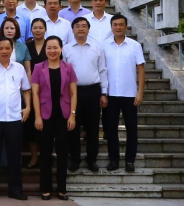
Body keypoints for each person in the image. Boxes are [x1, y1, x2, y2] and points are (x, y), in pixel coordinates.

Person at [0, 37, 31, 201]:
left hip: (14, 118)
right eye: (0, 48)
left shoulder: (19, 68)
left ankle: (15, 189)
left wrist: (28, 107)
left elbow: (26, 90)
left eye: (7, 48)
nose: (4, 51)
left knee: (15, 156)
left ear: (12, 50)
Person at [31, 36, 77, 201]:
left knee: (63, 153)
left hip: (63, 116)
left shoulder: (69, 67)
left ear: (61, 49)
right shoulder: (38, 68)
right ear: (45, 50)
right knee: (45, 154)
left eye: (55, 47)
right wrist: (37, 116)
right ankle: (45, 188)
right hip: (44, 116)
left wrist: (72, 115)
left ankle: (62, 188)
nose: (52, 51)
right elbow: (34, 94)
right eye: (49, 48)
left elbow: (73, 93)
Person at [63, 17, 107, 174]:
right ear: (73, 30)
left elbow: (102, 71)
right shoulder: (66, 49)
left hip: (93, 91)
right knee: (72, 127)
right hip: (73, 93)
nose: (80, 29)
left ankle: (91, 159)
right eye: (77, 26)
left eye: (83, 26)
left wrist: (104, 93)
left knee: (93, 127)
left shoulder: (97, 48)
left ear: (89, 29)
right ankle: (74, 158)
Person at [103, 14, 145, 172]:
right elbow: (102, 70)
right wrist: (103, 92)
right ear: (111, 26)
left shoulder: (135, 45)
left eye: (121, 24)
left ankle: (129, 161)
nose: (118, 27)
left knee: (131, 129)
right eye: (115, 24)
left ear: (126, 26)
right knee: (111, 129)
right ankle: (113, 160)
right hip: (110, 94)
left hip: (129, 94)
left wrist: (140, 92)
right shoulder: (104, 45)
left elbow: (141, 70)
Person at [24, 18, 49, 169]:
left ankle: (46, 156)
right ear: (31, 30)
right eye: (35, 28)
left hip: (49, 90)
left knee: (47, 126)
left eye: (41, 27)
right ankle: (34, 157)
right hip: (31, 89)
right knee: (31, 126)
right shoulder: (27, 46)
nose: (38, 30)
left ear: (45, 29)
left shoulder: (51, 45)